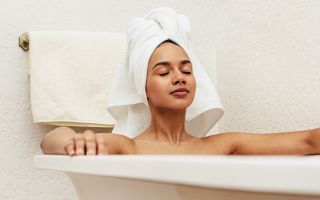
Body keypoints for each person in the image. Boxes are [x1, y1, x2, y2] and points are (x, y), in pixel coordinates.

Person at [41, 39, 320, 156]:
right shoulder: (128, 147)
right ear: (144, 89)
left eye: (186, 70)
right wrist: (73, 140)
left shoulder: (221, 146)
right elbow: (50, 140)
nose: (179, 77)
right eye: (163, 72)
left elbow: (308, 141)